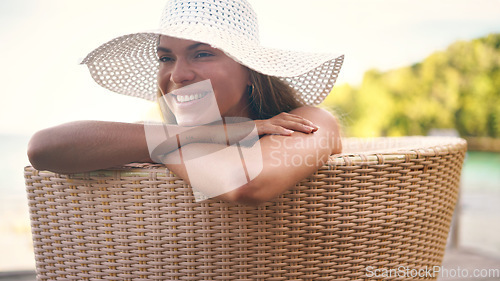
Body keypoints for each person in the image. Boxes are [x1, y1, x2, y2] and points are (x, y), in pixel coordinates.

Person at [27, 0, 344, 205]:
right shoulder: (167, 136)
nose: (177, 75)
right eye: (165, 58)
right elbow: (43, 147)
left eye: (202, 53)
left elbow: (247, 183)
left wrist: (166, 145)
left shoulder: (312, 121)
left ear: (251, 72)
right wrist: (228, 132)